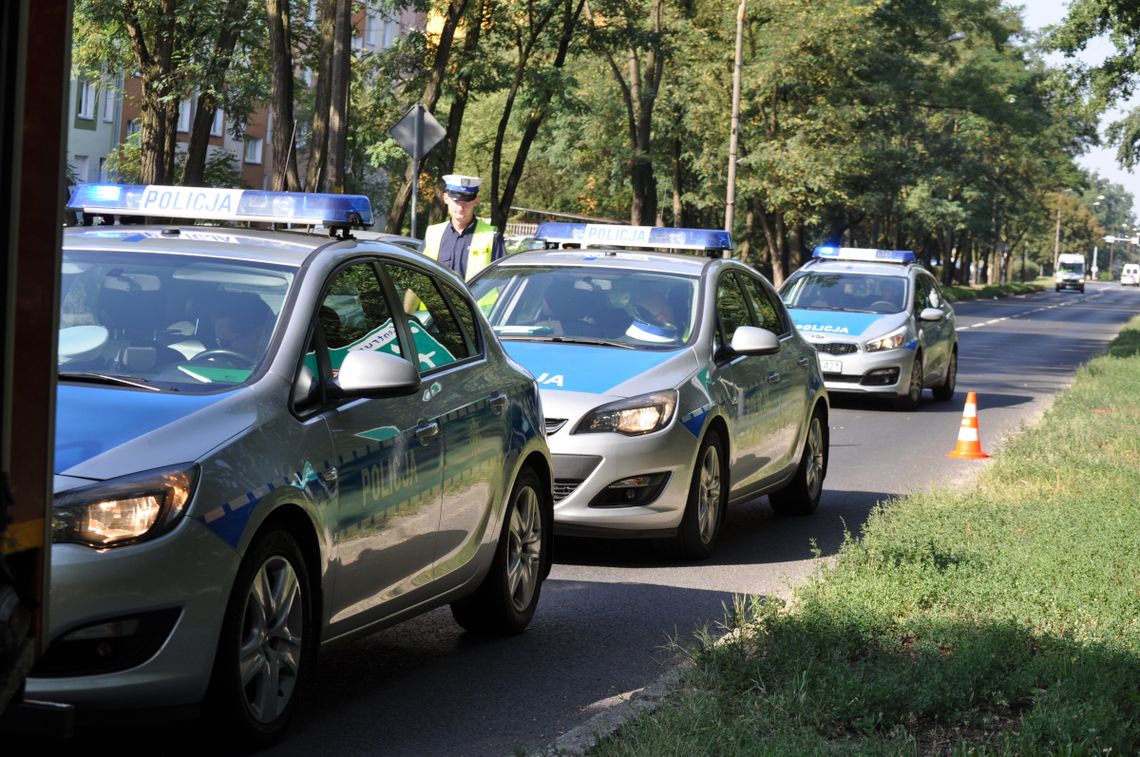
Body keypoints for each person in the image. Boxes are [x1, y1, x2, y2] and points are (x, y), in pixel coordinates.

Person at [422, 174, 506, 281]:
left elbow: (503, 280)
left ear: (476, 201)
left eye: (467, 201)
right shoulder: (433, 234)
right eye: (456, 201)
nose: (461, 207)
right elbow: (419, 276)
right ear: (446, 198)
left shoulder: (492, 237)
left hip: (475, 298)